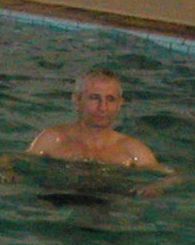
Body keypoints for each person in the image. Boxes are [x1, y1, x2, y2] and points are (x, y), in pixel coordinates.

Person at [24, 68, 162, 169]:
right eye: (94, 98)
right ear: (77, 100)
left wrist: (153, 187)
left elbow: (167, 178)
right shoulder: (52, 140)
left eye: (110, 99)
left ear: (119, 104)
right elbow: (19, 166)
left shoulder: (132, 150)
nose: (103, 107)